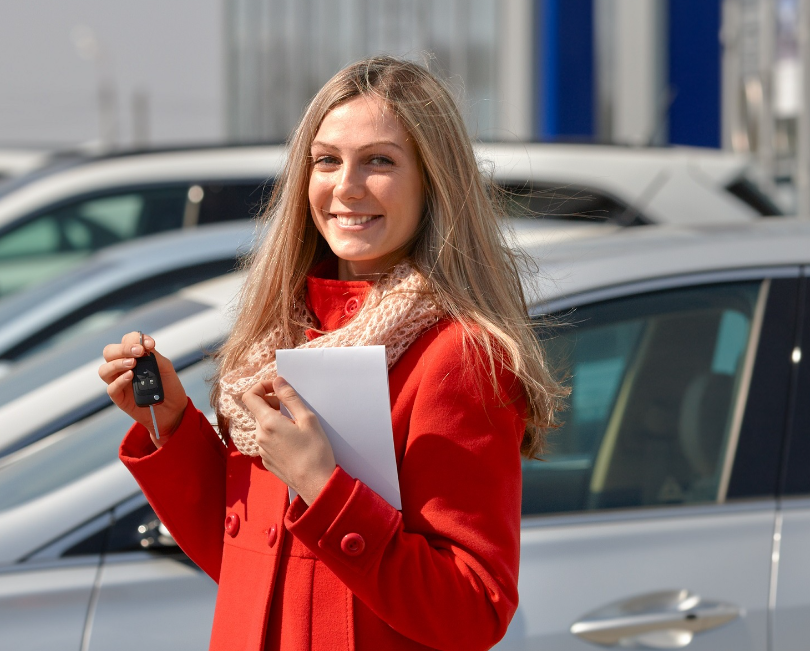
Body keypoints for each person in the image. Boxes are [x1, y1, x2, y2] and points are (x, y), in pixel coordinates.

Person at [97, 56, 564, 651]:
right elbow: (249, 565)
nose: (346, 186)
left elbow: (473, 611)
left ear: (433, 180)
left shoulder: (459, 355)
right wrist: (168, 423)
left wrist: (323, 485)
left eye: (380, 161)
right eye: (327, 160)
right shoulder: (280, 333)